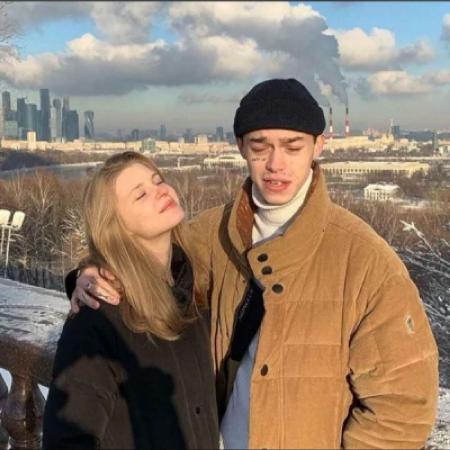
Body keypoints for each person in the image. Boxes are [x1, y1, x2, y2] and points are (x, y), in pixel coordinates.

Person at [69, 79, 439, 449]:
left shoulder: (366, 262)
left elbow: (402, 409)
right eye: (261, 147)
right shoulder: (211, 235)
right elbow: (143, 258)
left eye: (293, 147)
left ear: (318, 146)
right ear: (241, 147)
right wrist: (93, 272)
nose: (276, 164)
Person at [43, 152, 219, 449]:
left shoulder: (194, 290)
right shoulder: (98, 318)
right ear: (117, 227)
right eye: (141, 195)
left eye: (158, 181)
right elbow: (68, 439)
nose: (161, 191)